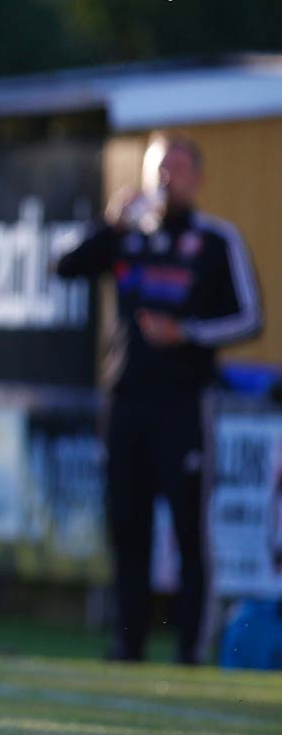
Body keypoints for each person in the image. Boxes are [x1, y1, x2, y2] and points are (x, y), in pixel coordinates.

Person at [55, 133, 262, 664]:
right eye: (159, 171)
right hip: (125, 403)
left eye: (179, 171)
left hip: (183, 404)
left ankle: (190, 646)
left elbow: (249, 317)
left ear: (198, 178)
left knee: (189, 531)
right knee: (128, 525)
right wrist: (112, 223)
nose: (168, 181)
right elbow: (67, 267)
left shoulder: (216, 240)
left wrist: (186, 332)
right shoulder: (127, 238)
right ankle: (129, 642)